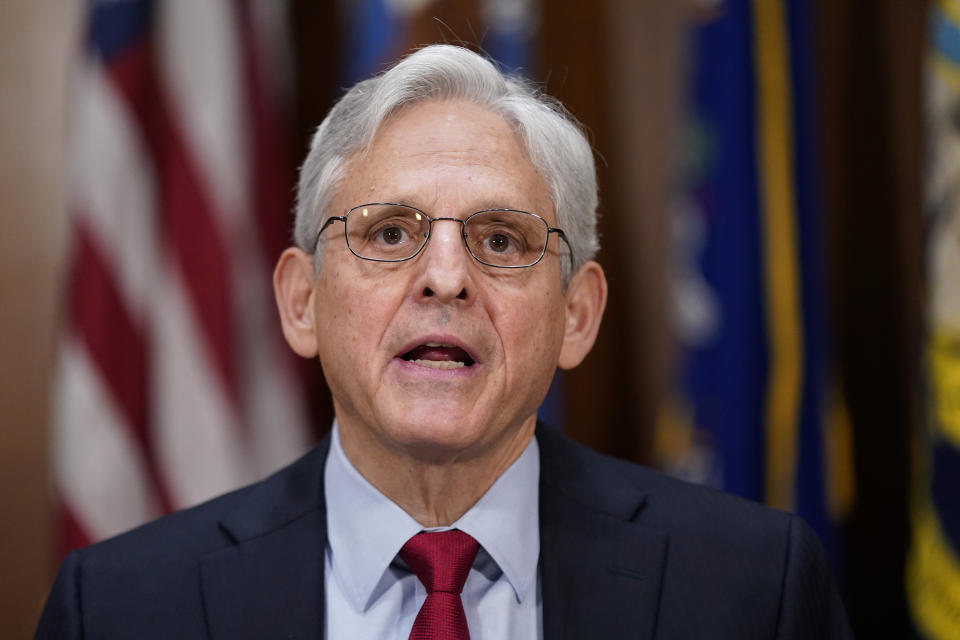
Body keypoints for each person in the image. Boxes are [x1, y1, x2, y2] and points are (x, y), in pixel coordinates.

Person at [35, 44, 852, 639]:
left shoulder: (752, 590)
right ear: (301, 302)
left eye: (501, 240)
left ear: (578, 315)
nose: (446, 277)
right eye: (390, 233)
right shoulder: (121, 607)